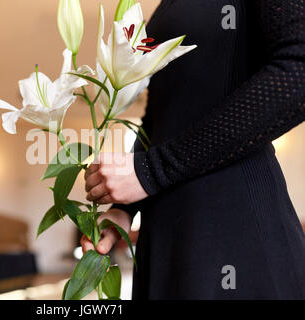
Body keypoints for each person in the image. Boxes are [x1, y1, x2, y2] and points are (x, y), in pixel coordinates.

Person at [81, 0, 305, 299]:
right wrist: (124, 209)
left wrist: (153, 170)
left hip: (233, 231)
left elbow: (297, 73)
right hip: (164, 237)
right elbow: (160, 114)